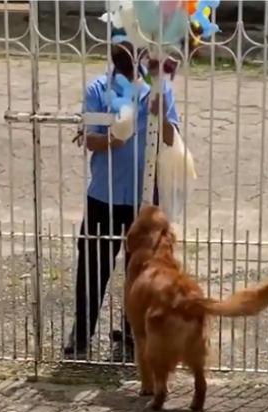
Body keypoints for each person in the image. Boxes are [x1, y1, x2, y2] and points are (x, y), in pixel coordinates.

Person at [65, 29, 179, 360]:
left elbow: (171, 138)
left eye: (131, 45)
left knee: (140, 269)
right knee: (93, 265)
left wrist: (159, 112)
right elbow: (90, 138)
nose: (125, 51)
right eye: (119, 44)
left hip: (144, 200)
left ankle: (131, 335)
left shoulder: (158, 88)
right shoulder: (99, 89)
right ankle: (82, 332)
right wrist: (112, 140)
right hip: (104, 194)